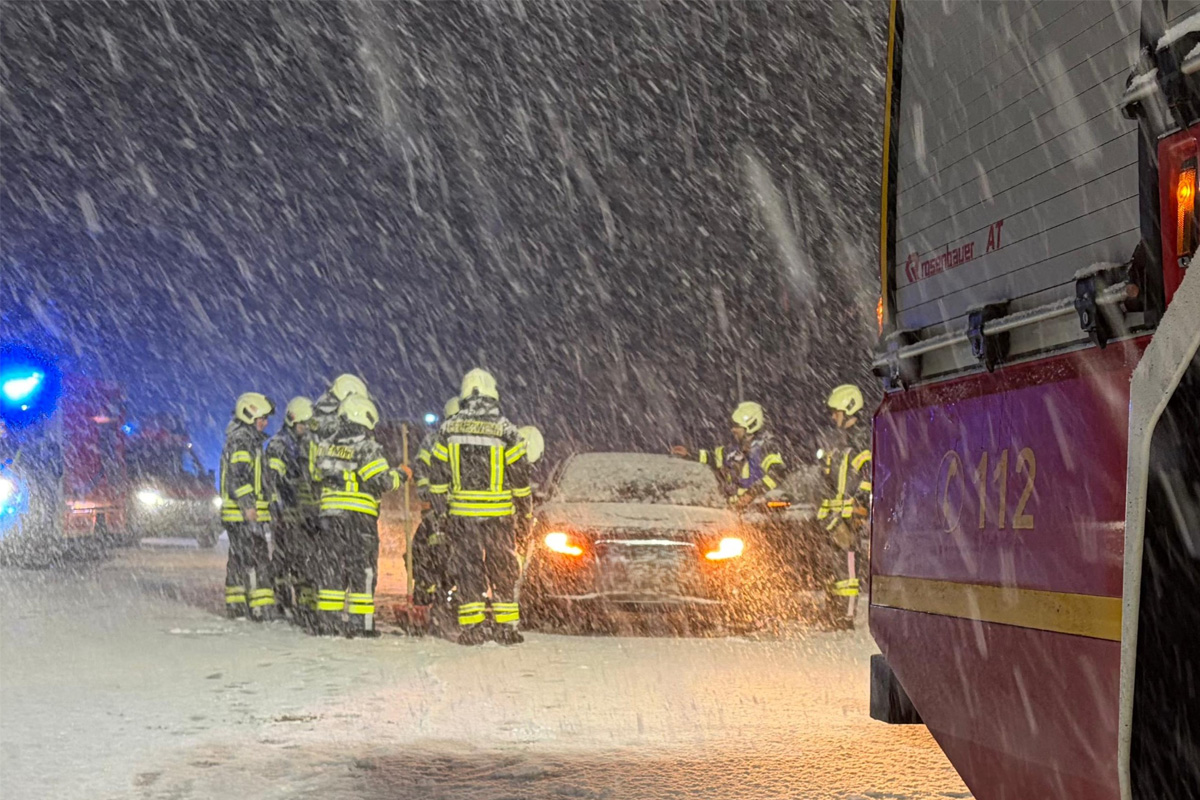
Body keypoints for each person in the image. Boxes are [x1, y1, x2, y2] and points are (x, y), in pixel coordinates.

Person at [429, 369, 532, 646]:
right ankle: (505, 628)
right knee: (502, 568)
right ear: (492, 394)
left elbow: (437, 476)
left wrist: (440, 512)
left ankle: (473, 627)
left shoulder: (449, 429)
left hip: (462, 515)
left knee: (468, 569)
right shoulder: (506, 429)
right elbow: (520, 478)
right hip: (498, 515)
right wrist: (525, 512)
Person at [312, 394, 406, 637]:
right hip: (358, 520)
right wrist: (401, 474)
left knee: (332, 568)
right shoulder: (366, 447)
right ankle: (361, 624)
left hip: (330, 518)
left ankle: (329, 622)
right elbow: (381, 480)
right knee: (362, 570)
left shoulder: (325, 446)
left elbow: (316, 475)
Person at [815, 384, 872, 630]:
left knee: (848, 571)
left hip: (848, 519)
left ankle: (846, 617)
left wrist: (858, 510)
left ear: (848, 410)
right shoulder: (840, 443)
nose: (833, 417)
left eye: (836, 412)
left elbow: (868, 477)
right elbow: (829, 482)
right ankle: (833, 612)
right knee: (833, 569)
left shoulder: (860, 441)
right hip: (835, 518)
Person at [219, 392, 276, 620]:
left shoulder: (245, 440)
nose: (265, 423)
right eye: (262, 418)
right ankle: (259, 608)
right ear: (249, 415)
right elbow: (238, 478)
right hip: (242, 514)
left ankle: (237, 605)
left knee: (239, 558)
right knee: (255, 558)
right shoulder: (243, 441)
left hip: (238, 514)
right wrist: (248, 506)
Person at [674, 401, 787, 507]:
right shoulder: (733, 450)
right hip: (731, 511)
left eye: (737, 426)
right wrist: (689, 454)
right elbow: (712, 457)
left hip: (756, 511)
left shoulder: (765, 449)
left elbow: (778, 474)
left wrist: (752, 494)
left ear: (751, 426)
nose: (733, 429)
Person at [410, 395, 460, 632]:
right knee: (431, 549)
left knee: (445, 552)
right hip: (444, 508)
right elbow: (421, 467)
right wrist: (427, 493)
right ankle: (432, 593)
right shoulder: (435, 440)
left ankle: (443, 595)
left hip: (456, 509)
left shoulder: (443, 439)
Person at [266, 396, 318, 620]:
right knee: (284, 558)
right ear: (292, 421)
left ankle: (306, 603)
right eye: (302, 425)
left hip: (305, 513)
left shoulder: (307, 443)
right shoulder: (279, 445)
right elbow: (272, 479)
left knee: (304, 558)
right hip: (286, 511)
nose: (305, 429)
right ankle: (283, 600)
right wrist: (278, 505)